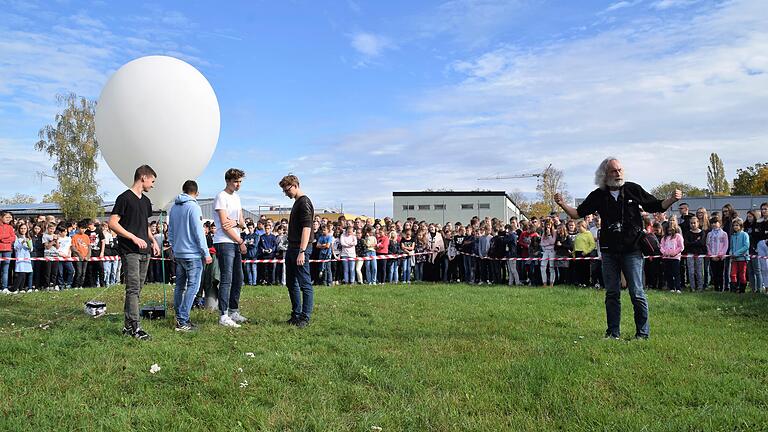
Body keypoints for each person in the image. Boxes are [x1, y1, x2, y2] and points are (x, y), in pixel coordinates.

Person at [555, 157, 680, 339]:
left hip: (633, 250)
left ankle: (642, 334)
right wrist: (562, 204)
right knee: (612, 293)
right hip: (609, 251)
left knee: (637, 292)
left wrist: (672, 199)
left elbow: (654, 205)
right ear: (605, 175)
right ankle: (613, 333)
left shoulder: (632, 189)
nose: (618, 173)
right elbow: (577, 213)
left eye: (620, 170)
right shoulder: (598, 195)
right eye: (614, 171)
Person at [109, 165, 160, 340]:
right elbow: (113, 223)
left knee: (137, 290)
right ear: (143, 177)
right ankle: (136, 328)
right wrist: (132, 237)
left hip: (145, 251)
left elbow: (144, 225)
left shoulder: (146, 202)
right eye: (152, 181)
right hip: (130, 251)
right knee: (132, 289)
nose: (153, 185)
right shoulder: (124, 198)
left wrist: (153, 241)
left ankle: (127, 326)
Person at [168, 180, 212, 332]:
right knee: (193, 287)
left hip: (179, 253)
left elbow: (171, 232)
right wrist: (206, 252)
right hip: (192, 254)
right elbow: (198, 232)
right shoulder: (194, 207)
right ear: (196, 192)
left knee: (179, 286)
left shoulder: (173, 208)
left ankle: (179, 317)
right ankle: (183, 320)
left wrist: (173, 248)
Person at [213, 168, 249, 327]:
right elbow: (224, 225)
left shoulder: (237, 198)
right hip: (224, 241)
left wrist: (235, 222)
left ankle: (234, 311)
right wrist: (240, 240)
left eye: (240, 181)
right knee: (226, 278)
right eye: (236, 181)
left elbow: (241, 222)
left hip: (235, 240)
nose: (238, 184)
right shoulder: (221, 197)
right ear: (228, 181)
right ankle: (223, 314)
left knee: (238, 278)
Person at [280, 175, 314, 327]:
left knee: (304, 284)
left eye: (286, 190)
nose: (286, 193)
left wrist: (302, 251)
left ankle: (305, 318)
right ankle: (296, 314)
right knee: (291, 283)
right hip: (292, 247)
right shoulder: (297, 203)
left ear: (294, 185)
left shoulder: (304, 202)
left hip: (300, 249)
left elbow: (307, 228)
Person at [660, 222, 684, 293]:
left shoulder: (678, 236)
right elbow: (661, 246)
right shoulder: (664, 238)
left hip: (675, 258)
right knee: (668, 273)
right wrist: (664, 252)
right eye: (668, 230)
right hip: (666, 258)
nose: (669, 231)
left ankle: (678, 288)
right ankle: (671, 288)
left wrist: (674, 253)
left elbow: (681, 247)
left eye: (671, 230)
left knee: (676, 273)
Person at [706, 217, 728, 292]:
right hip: (712, 257)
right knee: (714, 273)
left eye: (715, 222)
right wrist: (711, 255)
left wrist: (721, 254)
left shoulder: (724, 234)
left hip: (720, 257)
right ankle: (716, 288)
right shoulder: (709, 234)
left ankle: (721, 288)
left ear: (720, 223)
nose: (714, 224)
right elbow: (708, 245)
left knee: (720, 273)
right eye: (712, 223)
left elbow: (725, 245)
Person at [729, 218, 749, 293]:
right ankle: (734, 290)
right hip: (734, 259)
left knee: (742, 275)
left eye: (737, 225)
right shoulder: (733, 236)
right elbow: (731, 247)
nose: (735, 227)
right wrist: (731, 253)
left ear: (741, 226)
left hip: (742, 258)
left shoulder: (745, 234)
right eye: (734, 225)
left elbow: (746, 246)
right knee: (733, 274)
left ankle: (742, 291)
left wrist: (736, 253)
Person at [12, 223, 33, 293]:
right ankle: (15, 288)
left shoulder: (29, 238)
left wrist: (28, 244)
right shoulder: (17, 238)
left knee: (24, 273)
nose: (23, 230)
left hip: (26, 257)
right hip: (20, 257)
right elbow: (16, 247)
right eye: (21, 228)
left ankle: (21, 288)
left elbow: (31, 249)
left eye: (24, 228)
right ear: (19, 229)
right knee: (21, 273)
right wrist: (22, 242)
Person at [0, 211, 16, 292]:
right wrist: (6, 237)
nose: (9, 219)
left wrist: (4, 240)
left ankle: (4, 287)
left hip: (8, 250)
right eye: (7, 217)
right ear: (1, 217)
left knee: (5, 270)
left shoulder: (10, 227)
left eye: (10, 217)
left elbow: (13, 238)